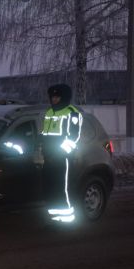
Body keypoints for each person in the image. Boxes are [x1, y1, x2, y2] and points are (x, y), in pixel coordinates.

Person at [40, 83, 82, 223]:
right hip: (48, 157)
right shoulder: (49, 112)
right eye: (52, 97)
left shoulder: (72, 113)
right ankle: (54, 217)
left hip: (62, 158)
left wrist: (60, 154)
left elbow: (73, 138)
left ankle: (67, 219)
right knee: (50, 187)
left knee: (61, 187)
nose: (54, 99)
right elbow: (45, 134)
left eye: (57, 97)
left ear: (63, 97)